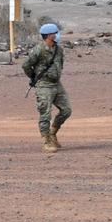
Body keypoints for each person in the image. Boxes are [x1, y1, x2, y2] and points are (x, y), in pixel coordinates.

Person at [22, 23, 72, 153]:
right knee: (45, 113)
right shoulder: (38, 50)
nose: (57, 35)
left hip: (57, 84)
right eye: (55, 33)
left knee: (66, 110)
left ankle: (52, 132)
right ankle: (46, 140)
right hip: (44, 85)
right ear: (49, 35)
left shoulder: (58, 50)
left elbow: (60, 65)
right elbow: (26, 65)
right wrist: (33, 77)